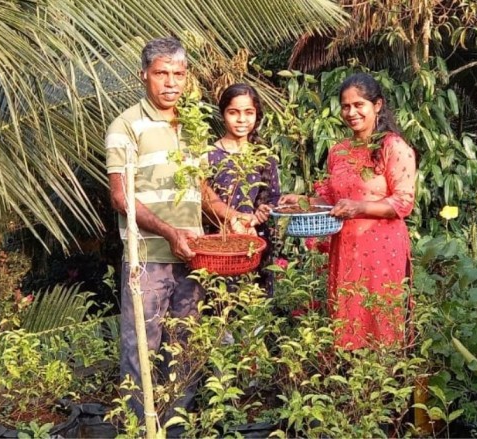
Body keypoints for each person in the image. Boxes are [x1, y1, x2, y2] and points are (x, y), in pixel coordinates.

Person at [105, 36, 248, 419]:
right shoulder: (126, 126)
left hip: (193, 257)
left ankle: (177, 425)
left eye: (178, 74)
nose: (170, 83)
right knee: (141, 350)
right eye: (161, 74)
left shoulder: (193, 125)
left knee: (187, 347)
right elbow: (120, 197)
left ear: (187, 78)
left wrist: (227, 215)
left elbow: (199, 188)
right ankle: (141, 426)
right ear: (143, 76)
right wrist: (169, 232)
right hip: (147, 259)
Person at [279, 73, 417, 350]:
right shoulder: (339, 151)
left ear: (377, 105)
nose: (351, 112)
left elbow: (403, 202)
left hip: (383, 248)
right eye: (345, 106)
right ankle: (349, 382)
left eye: (359, 105)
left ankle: (386, 384)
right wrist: (302, 202)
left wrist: (360, 208)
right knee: (346, 317)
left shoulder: (394, 147)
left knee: (380, 318)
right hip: (346, 247)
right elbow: (331, 198)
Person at [205, 83, 280, 292]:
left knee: (256, 306)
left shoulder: (264, 156)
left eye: (248, 113)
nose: (241, 119)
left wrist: (258, 217)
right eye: (233, 112)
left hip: (256, 242)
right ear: (223, 114)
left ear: (257, 115)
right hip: (219, 246)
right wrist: (229, 220)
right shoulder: (209, 155)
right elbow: (203, 200)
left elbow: (273, 197)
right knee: (220, 304)